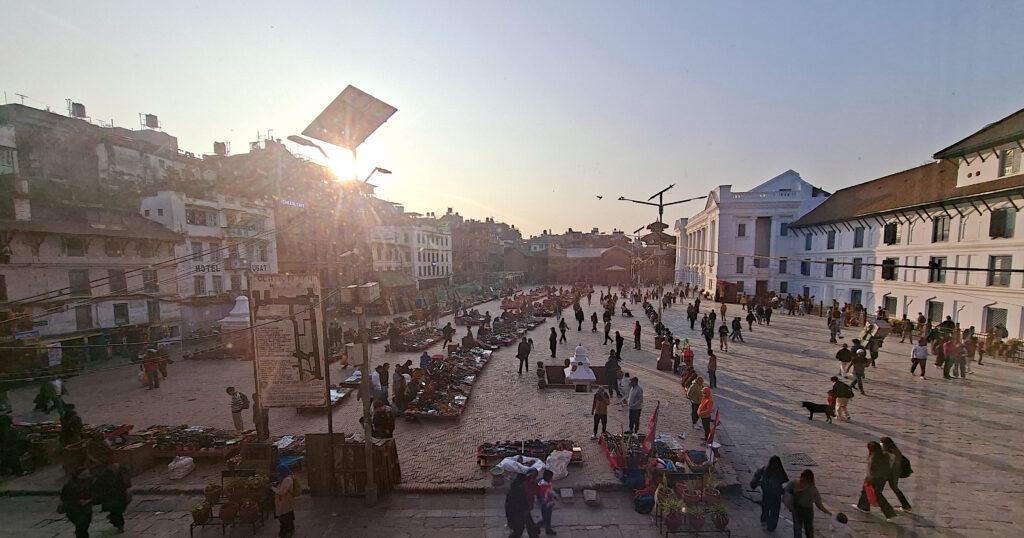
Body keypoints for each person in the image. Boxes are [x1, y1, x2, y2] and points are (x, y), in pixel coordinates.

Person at [856, 441, 897, 519]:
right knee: (866, 491)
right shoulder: (884, 455)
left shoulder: (874, 457)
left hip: (874, 479)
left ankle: (890, 513)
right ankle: (863, 506)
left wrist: (868, 479)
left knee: (877, 495)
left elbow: (871, 471)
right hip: (882, 478)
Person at [785, 469, 831, 538]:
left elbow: (786, 490)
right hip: (807, 511)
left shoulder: (794, 483)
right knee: (808, 530)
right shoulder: (812, 489)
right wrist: (827, 512)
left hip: (797, 509)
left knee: (797, 529)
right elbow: (819, 504)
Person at [750, 455, 788, 532]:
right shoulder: (780, 472)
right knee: (774, 511)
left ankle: (765, 521)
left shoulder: (763, 469)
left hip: (767, 494)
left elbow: (755, 479)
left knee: (766, 509)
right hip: (776, 496)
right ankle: (771, 526)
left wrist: (755, 484)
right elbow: (785, 482)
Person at [94, 462, 131, 534]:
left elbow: (126, 483)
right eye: (113, 466)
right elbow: (99, 484)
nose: (115, 468)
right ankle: (118, 524)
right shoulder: (106, 475)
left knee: (117, 511)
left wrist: (126, 489)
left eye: (117, 467)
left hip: (119, 495)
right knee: (115, 511)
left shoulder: (122, 473)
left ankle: (118, 524)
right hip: (111, 496)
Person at [880, 437, 912, 512]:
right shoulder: (892, 450)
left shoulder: (892, 453)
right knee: (894, 488)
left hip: (893, 473)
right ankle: (906, 506)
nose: (880, 445)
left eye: (882, 444)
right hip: (893, 473)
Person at [506, 471, 541, 538]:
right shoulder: (519, 489)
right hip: (519, 511)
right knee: (520, 528)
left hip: (522, 509)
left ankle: (533, 535)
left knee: (529, 524)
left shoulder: (517, 485)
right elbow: (516, 502)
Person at [271, 463, 298, 537]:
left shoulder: (287, 480)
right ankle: (289, 530)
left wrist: (272, 488)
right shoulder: (285, 478)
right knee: (288, 517)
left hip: (285, 502)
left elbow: (281, 492)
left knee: (285, 519)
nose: (277, 473)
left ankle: (285, 533)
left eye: (278, 471)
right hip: (286, 502)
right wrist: (276, 484)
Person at [537, 469, 559, 535]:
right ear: (548, 477)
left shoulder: (544, 483)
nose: (552, 478)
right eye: (551, 477)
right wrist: (555, 496)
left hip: (547, 504)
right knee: (546, 518)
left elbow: (550, 491)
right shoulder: (544, 486)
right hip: (546, 504)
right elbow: (548, 494)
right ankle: (536, 526)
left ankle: (548, 530)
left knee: (547, 518)